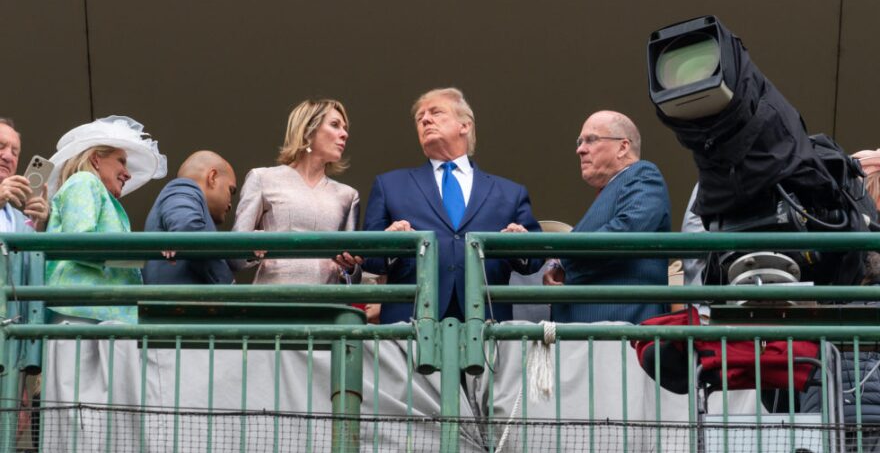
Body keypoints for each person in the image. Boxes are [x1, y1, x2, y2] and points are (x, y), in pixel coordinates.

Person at [362, 87, 542, 323]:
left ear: (464, 125)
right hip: (411, 322)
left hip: (486, 324)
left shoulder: (509, 192)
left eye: (436, 112)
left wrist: (519, 244)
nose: (425, 119)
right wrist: (391, 243)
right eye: (420, 118)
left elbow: (535, 260)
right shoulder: (390, 185)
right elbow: (368, 257)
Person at [544, 110, 670, 324]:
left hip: (622, 330)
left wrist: (562, 261)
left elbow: (627, 230)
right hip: (590, 335)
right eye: (580, 141)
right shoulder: (611, 190)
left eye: (591, 140)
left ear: (623, 147)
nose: (580, 149)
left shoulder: (643, 174)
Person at [45, 115, 167, 324]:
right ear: (95, 159)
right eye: (121, 161)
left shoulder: (96, 191)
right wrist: (145, 251)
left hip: (101, 313)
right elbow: (79, 244)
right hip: (80, 311)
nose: (128, 174)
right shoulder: (83, 181)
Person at [232, 99, 360, 284]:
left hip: (326, 305)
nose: (344, 134)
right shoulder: (262, 178)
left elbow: (352, 279)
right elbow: (234, 258)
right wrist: (251, 247)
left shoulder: (348, 195)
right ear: (308, 129)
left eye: (345, 128)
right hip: (273, 300)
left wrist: (350, 267)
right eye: (335, 125)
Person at [0, 117, 49, 374]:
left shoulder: (20, 219)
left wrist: (37, 227)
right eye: (1, 147)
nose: (8, 156)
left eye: (15, 152)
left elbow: (29, 279)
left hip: (9, 344)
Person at [143, 151, 237, 285]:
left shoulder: (189, 201)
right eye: (231, 190)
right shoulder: (184, 189)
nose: (230, 204)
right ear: (212, 177)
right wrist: (228, 284)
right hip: (178, 302)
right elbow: (186, 227)